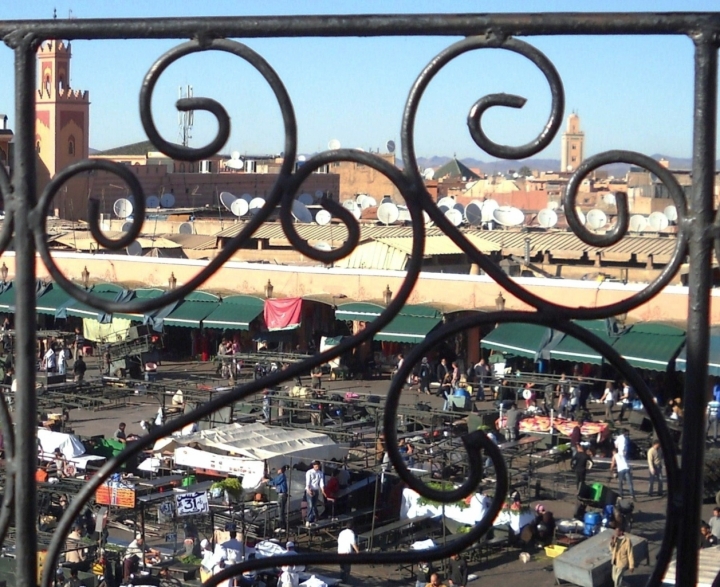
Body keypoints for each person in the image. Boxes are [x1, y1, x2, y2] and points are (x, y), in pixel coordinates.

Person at [305, 460, 325, 525]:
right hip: (310, 489)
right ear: (313, 466)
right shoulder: (309, 472)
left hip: (316, 490)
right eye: (316, 466)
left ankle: (313, 519)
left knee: (314, 505)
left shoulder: (320, 473)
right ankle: (308, 519)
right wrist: (308, 489)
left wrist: (322, 489)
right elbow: (308, 481)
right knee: (310, 505)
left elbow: (321, 482)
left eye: (318, 466)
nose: (317, 467)